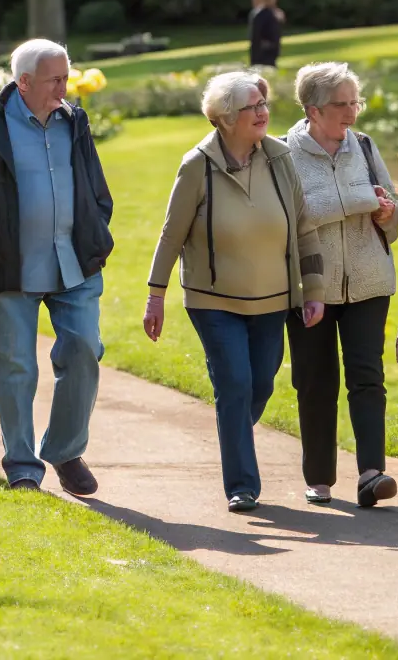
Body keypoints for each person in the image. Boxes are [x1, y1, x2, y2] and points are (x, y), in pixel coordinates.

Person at [142, 71, 324, 512]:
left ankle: (232, 432)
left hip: (273, 298)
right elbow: (171, 234)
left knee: (259, 382)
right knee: (236, 383)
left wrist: (313, 288)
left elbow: (304, 228)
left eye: (263, 104)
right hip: (213, 300)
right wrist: (156, 293)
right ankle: (242, 484)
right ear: (225, 118)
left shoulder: (281, 158)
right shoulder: (196, 166)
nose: (263, 112)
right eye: (252, 107)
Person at [0, 38, 114, 496]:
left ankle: (64, 450)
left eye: (66, 77)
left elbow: (95, 186)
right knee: (14, 367)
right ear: (24, 82)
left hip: (74, 263)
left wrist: (97, 229)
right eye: (55, 80)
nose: (64, 88)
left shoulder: (73, 121)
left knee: (83, 350)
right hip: (7, 268)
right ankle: (22, 464)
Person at [286, 63, 398, 508]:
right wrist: (358, 200)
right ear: (313, 109)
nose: (352, 111)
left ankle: (373, 473)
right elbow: (295, 216)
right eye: (343, 104)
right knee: (315, 382)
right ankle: (319, 479)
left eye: (356, 101)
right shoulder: (282, 154)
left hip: (370, 282)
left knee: (368, 378)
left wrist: (389, 217)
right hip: (310, 286)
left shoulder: (366, 146)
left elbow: (392, 209)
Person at [248, 0, 285, 67]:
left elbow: (255, 36)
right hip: (271, 51)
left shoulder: (258, 14)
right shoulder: (274, 14)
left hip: (261, 53)